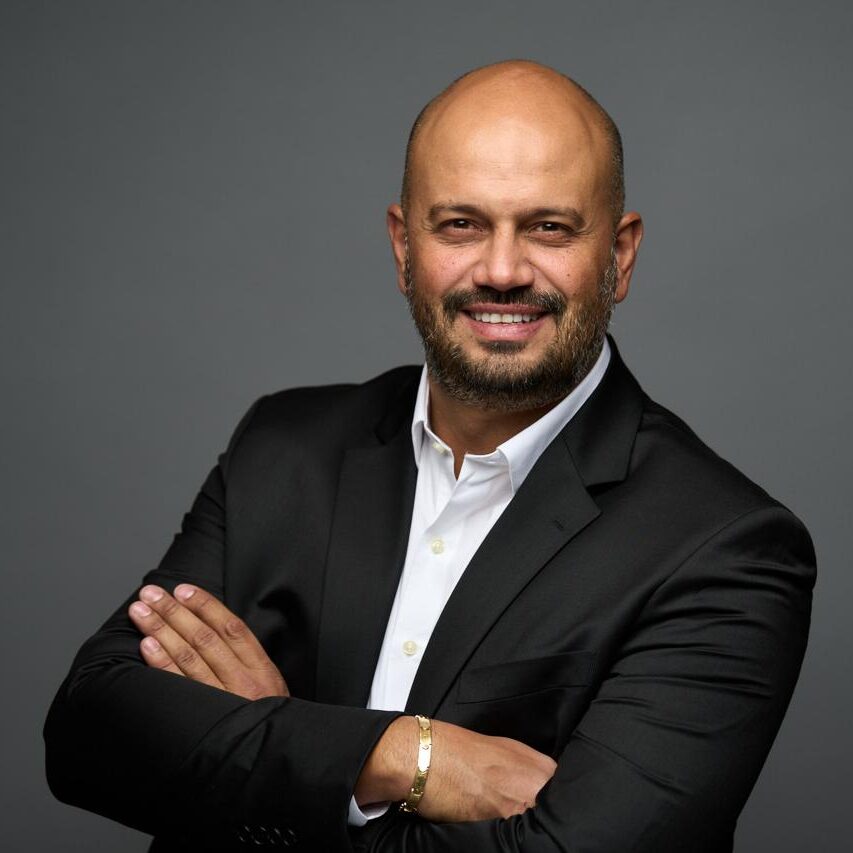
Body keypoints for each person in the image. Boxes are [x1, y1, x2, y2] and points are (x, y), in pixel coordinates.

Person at [44, 60, 815, 852]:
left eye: (549, 227)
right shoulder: (281, 448)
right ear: (402, 245)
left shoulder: (724, 548)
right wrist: (409, 755)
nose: (502, 271)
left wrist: (264, 748)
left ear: (618, 256)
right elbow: (87, 733)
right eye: (460, 225)